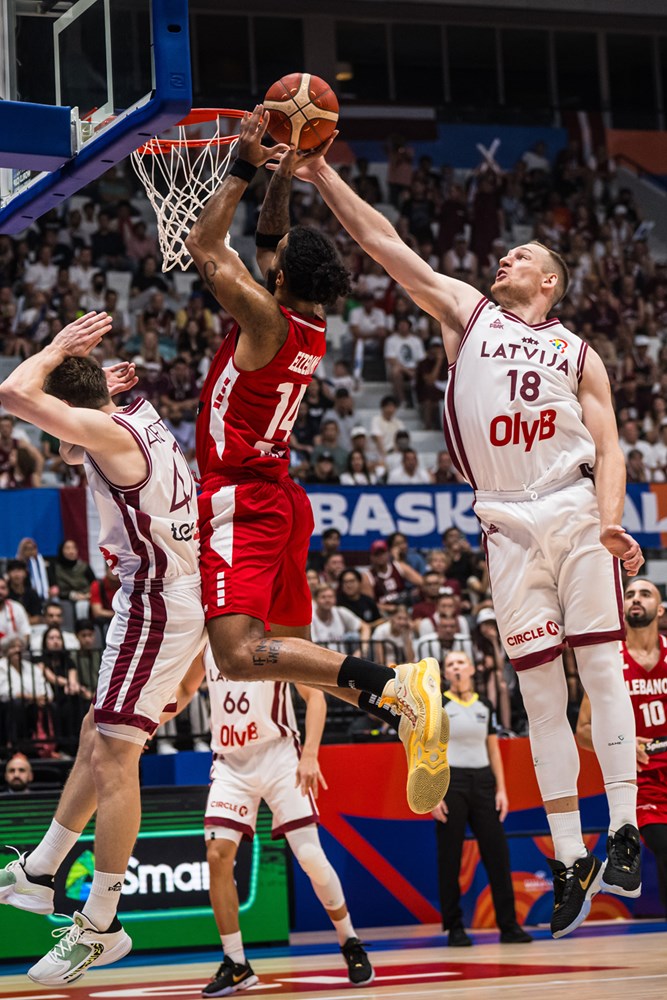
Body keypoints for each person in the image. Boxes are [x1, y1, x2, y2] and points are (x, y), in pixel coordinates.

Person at [299, 140, 643, 937]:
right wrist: (323, 175)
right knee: (536, 696)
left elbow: (613, 446)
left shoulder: (577, 353)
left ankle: (620, 829)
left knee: (598, 667)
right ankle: (567, 858)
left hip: (571, 505)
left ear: (548, 281)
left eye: (521, 254)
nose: (505, 258)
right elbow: (386, 246)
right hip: (501, 518)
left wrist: (611, 516)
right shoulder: (468, 312)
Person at [185, 107, 448, 818]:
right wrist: (281, 174)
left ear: (276, 280)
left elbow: (204, 245)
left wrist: (242, 165)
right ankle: (400, 713)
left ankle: (397, 686)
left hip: (241, 497)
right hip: (282, 498)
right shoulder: (308, 319)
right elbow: (273, 240)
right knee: (294, 652)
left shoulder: (265, 317)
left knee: (239, 654)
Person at [0, 313, 206, 982]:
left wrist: (56, 348)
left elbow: (11, 394)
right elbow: (70, 440)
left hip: (155, 601)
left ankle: (101, 924)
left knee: (117, 756)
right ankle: (39, 871)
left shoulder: (107, 430)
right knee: (97, 730)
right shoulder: (134, 413)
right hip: (165, 596)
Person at [164, 646, 374, 993]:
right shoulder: (207, 643)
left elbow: (316, 698)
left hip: (279, 756)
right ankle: (236, 963)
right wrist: (150, 723)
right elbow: (187, 690)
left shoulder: (274, 642)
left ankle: (349, 939)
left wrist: (310, 755)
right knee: (217, 856)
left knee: (310, 857)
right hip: (231, 762)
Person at [576, 579, 667, 911]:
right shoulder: (610, 661)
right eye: (629, 594)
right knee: (664, 844)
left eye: (645, 594)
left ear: (660, 609)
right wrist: (626, 745)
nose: (636, 599)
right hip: (639, 777)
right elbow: (583, 730)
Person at [433, 650, 532, 947]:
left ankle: (509, 925)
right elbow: (427, 750)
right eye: (450, 664)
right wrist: (433, 794)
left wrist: (501, 789)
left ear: (473, 668)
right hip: (451, 783)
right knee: (450, 858)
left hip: (483, 782)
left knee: (498, 856)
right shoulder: (438, 704)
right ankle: (454, 928)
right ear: (445, 674)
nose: (456, 667)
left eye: (460, 662)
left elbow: (493, 750)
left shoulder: (485, 705)